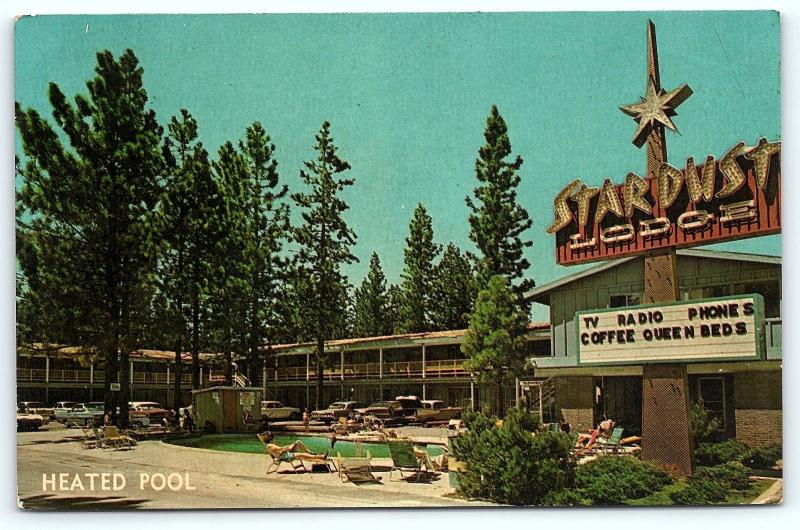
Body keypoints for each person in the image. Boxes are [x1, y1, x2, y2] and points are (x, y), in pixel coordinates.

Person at [260, 431, 327, 461]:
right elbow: (281, 449)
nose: (273, 438)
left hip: (285, 454)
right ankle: (321, 457)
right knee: (302, 455)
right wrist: (288, 447)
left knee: (298, 442)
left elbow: (279, 450)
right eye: (272, 437)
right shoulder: (270, 446)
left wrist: (289, 447)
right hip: (285, 456)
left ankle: (311, 452)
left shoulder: (270, 445)